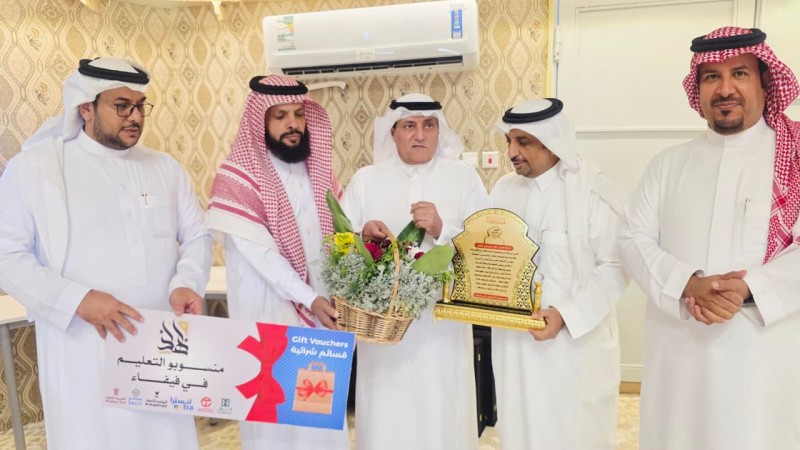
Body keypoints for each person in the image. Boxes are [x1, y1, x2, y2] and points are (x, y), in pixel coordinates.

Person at [0, 57, 212, 450]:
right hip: (82, 345)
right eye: (121, 106)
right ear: (85, 107)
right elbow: (7, 257)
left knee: (166, 439)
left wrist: (186, 282)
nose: (135, 117)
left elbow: (197, 235)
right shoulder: (36, 169)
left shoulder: (164, 168)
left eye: (140, 106)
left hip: (158, 342)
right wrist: (79, 300)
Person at [618, 27, 800, 449]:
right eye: (711, 77)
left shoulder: (794, 156)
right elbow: (632, 237)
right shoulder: (668, 164)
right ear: (697, 89)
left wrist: (750, 288)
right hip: (680, 352)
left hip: (764, 353)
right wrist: (687, 282)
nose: (725, 88)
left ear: (765, 82)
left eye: (740, 73)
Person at [206, 75, 348, 450]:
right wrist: (310, 298)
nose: (293, 124)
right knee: (276, 425)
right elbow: (263, 257)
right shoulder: (238, 178)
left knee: (319, 418)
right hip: (269, 318)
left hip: (318, 314)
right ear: (261, 121)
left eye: (299, 114)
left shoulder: (318, 170)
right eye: (280, 116)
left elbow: (339, 233)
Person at [340, 93, 489, 450]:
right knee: (387, 414)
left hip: (442, 328)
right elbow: (339, 245)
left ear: (439, 131)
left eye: (429, 125)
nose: (420, 134)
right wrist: (363, 236)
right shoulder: (365, 180)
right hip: (383, 332)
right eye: (409, 125)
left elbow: (487, 245)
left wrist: (442, 228)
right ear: (393, 133)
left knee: (443, 408)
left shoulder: (463, 178)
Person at [490, 98, 628, 449]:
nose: (512, 152)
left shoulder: (593, 192)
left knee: (573, 434)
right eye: (509, 141)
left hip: (573, 347)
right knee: (520, 430)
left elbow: (616, 267)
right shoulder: (504, 190)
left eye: (523, 142)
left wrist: (565, 315)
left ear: (552, 143)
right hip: (516, 346)